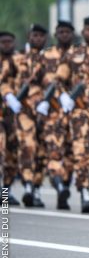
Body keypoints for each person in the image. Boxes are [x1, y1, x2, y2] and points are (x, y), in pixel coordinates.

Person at [57, 17, 89, 213]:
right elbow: (59, 80)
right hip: (81, 111)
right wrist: (63, 97)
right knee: (82, 152)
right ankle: (84, 190)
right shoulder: (72, 53)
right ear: (83, 31)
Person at [35, 21, 76, 210]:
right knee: (54, 150)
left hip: (76, 112)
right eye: (61, 32)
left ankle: (64, 188)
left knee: (70, 154)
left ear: (73, 34)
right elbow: (39, 81)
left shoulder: (79, 54)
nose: (64, 35)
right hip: (53, 112)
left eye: (68, 32)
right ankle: (59, 186)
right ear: (56, 34)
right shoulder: (46, 56)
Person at [13, 24, 48, 207]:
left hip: (45, 112)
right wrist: (10, 96)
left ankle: (36, 189)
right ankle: (26, 186)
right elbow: (6, 81)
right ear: (29, 36)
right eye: (35, 35)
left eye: (42, 36)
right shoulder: (18, 59)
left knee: (41, 152)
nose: (38, 39)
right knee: (27, 148)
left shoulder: (50, 59)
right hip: (23, 111)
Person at [0, 31, 20, 205]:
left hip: (14, 117)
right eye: (3, 42)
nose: (6, 45)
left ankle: (6, 192)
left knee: (12, 156)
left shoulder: (21, 60)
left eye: (9, 41)